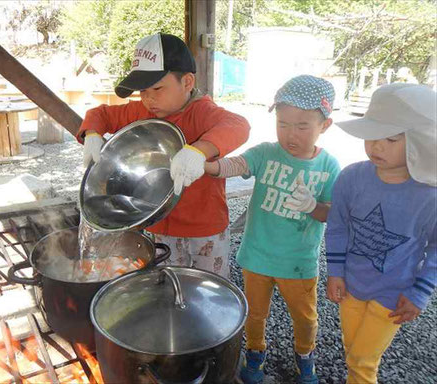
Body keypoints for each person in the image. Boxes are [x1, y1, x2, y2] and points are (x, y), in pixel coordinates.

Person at [77, 32, 250, 277]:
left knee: (211, 288)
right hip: (159, 226)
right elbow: (101, 114)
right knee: (168, 287)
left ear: (187, 82)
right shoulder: (141, 111)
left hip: (205, 228)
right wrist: (92, 133)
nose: (148, 99)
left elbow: (239, 125)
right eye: (142, 91)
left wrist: (199, 151)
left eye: (157, 88)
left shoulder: (202, 112)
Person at [205, 75, 340, 384]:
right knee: (254, 314)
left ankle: (305, 355)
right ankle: (255, 353)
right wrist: (204, 165)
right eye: (283, 123)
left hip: (299, 261)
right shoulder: (267, 153)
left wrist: (312, 207)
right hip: (257, 256)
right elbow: (236, 165)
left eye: (302, 126)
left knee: (305, 317)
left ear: (325, 125)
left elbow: (332, 214)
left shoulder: (329, 166)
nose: (290, 134)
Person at [325, 83, 436, 384]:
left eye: (390, 138)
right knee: (352, 351)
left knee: (362, 360)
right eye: (371, 135)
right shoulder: (351, 177)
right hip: (350, 285)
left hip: (395, 292)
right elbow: (337, 225)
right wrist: (335, 271)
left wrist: (421, 291)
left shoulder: (430, 194)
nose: (376, 146)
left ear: (421, 142)